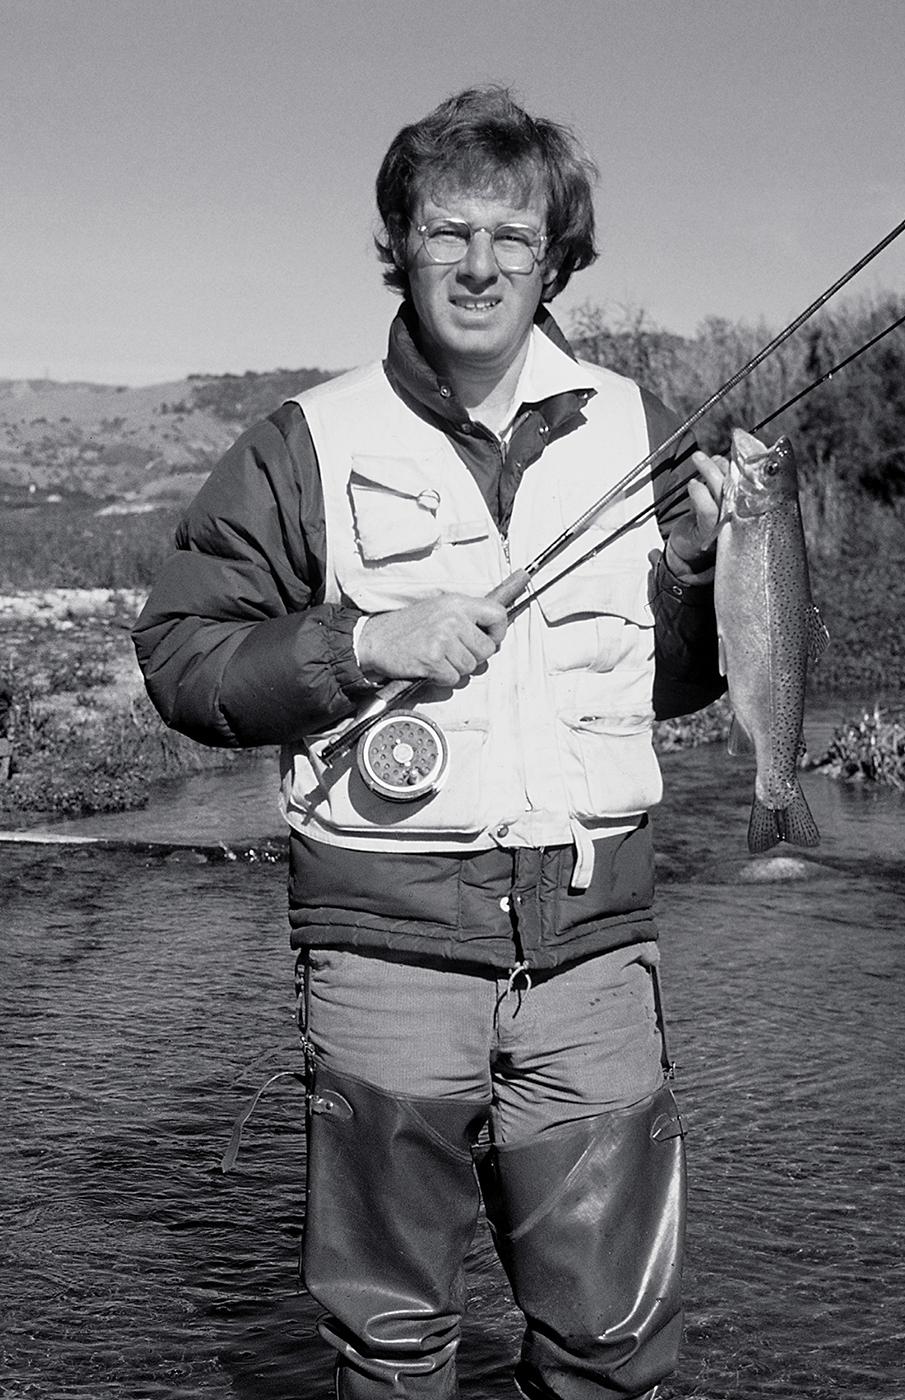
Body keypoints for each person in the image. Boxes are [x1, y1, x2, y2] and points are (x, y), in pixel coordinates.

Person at [134, 86, 727, 1400]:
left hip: (594, 959)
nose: (478, 264)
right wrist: (357, 647)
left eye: (512, 237)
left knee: (615, 1348)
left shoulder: (646, 434)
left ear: (557, 257)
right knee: (394, 1346)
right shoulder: (306, 444)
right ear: (397, 247)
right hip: (381, 957)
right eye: (446, 230)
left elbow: (675, 686)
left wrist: (695, 574)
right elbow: (180, 656)